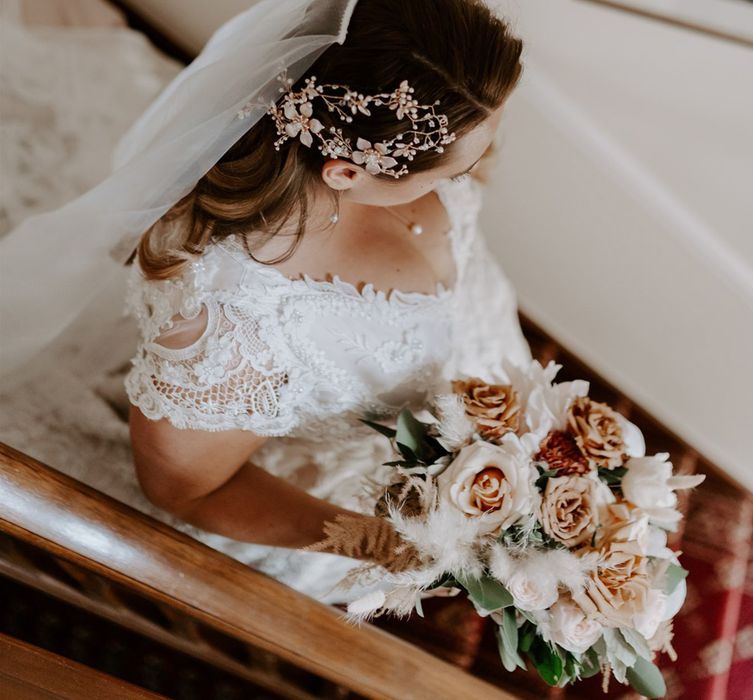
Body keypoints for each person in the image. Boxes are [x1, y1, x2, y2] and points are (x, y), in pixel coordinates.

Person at [0, 0, 533, 604]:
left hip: (483, 405)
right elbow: (191, 491)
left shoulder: (409, 131)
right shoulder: (233, 326)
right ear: (344, 174)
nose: (466, 178)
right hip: (336, 493)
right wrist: (372, 540)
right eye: (449, 174)